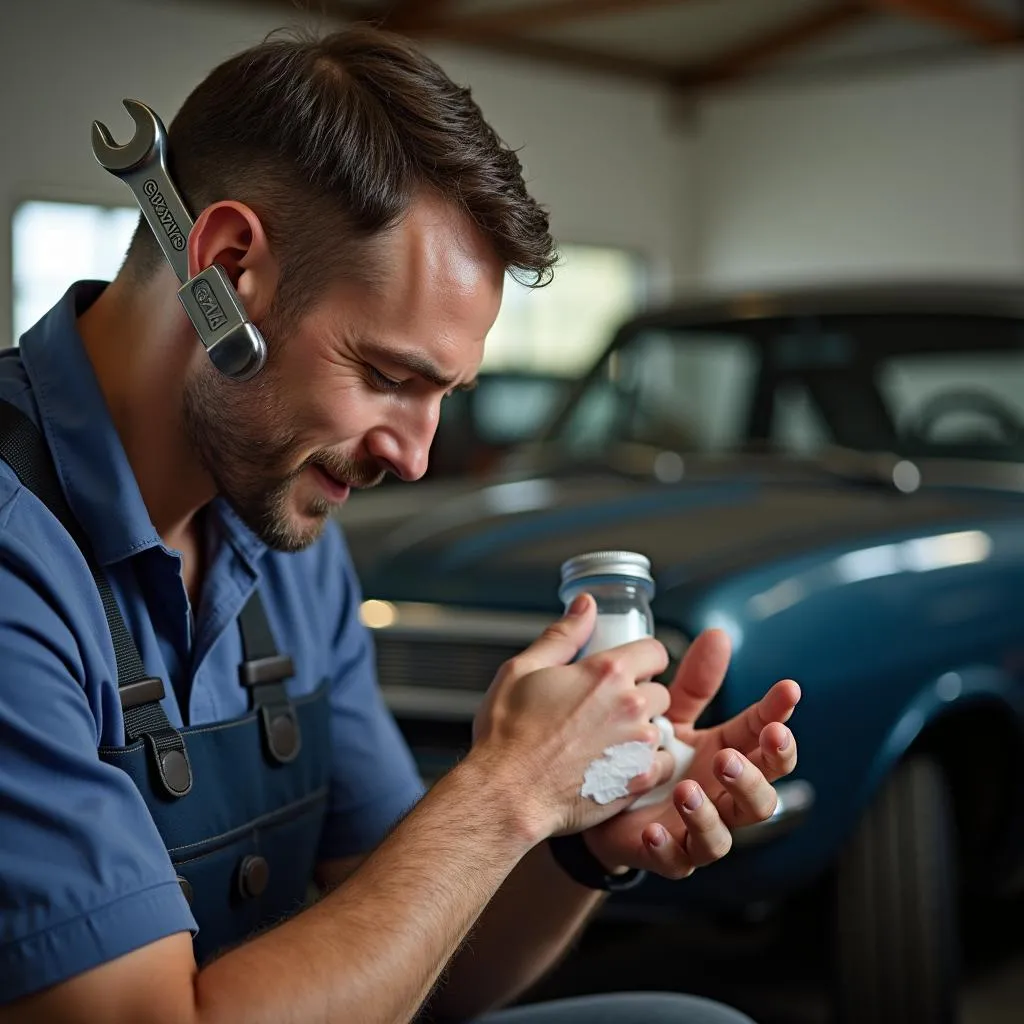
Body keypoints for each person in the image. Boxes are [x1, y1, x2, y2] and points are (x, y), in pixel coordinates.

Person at [0, 23, 801, 1024]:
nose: (415, 457)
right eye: (387, 377)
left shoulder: (287, 544)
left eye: (444, 396)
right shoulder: (16, 561)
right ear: (227, 268)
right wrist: (504, 788)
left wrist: (575, 829)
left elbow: (432, 968)